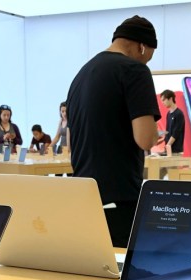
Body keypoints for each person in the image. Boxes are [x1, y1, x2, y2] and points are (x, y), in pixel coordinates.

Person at [67, 15, 160, 247]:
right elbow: (146, 139)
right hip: (120, 200)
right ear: (142, 46)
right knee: (124, 278)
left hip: (85, 199)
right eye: (148, 57)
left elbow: (72, 137)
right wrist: (156, 132)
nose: (146, 62)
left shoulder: (82, 74)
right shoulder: (134, 70)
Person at [160, 89, 184, 155]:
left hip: (176, 151)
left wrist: (168, 145)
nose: (162, 102)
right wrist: (162, 141)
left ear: (170, 99)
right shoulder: (168, 114)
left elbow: (176, 133)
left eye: (164, 100)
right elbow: (168, 132)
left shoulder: (179, 114)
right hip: (169, 149)